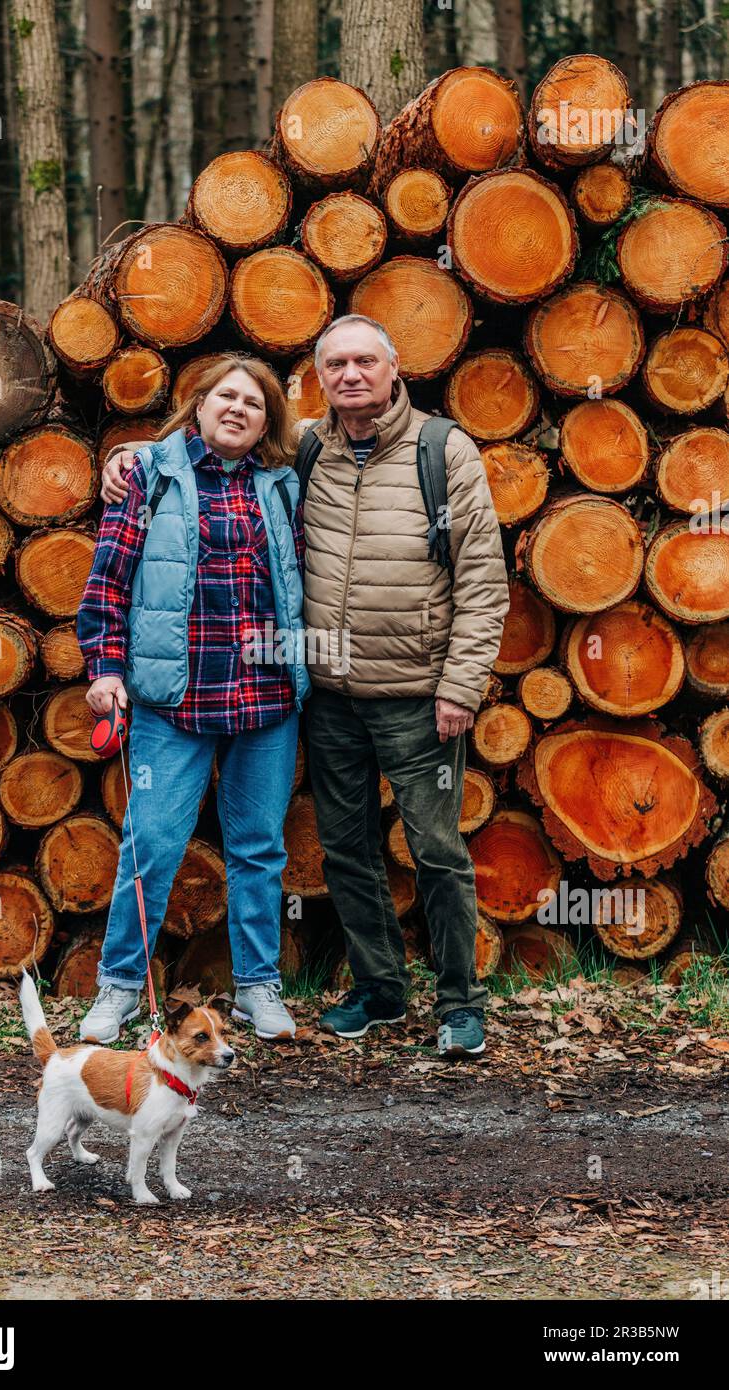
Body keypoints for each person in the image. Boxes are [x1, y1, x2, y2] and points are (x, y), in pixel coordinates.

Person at [102, 316, 509, 1060]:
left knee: (435, 849)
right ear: (319, 379)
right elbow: (196, 459)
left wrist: (461, 684)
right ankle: (380, 991)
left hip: (415, 694)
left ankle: (459, 1001)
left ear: (394, 368)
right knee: (344, 849)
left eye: (365, 361)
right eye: (336, 364)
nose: (352, 375)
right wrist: (127, 456)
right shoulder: (308, 450)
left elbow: (482, 579)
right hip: (322, 694)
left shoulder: (439, 450)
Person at [77, 354, 310, 1045]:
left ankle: (258, 986)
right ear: (199, 404)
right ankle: (119, 986)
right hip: (172, 698)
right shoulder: (151, 475)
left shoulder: (281, 483)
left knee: (259, 849)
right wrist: (104, 666)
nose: (238, 409)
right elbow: (108, 581)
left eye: (254, 404)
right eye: (226, 396)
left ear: (267, 422)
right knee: (150, 843)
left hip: (265, 699)